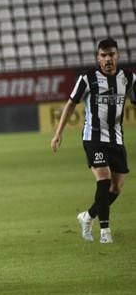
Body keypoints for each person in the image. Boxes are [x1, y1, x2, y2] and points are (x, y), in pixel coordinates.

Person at [51, 38, 134, 244]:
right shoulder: (88, 78)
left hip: (116, 138)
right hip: (93, 137)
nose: (108, 59)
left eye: (111, 55)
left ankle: (88, 216)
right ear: (98, 58)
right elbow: (71, 104)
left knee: (116, 188)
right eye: (103, 56)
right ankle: (105, 232)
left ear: (118, 56)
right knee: (103, 180)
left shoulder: (128, 78)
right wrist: (58, 133)